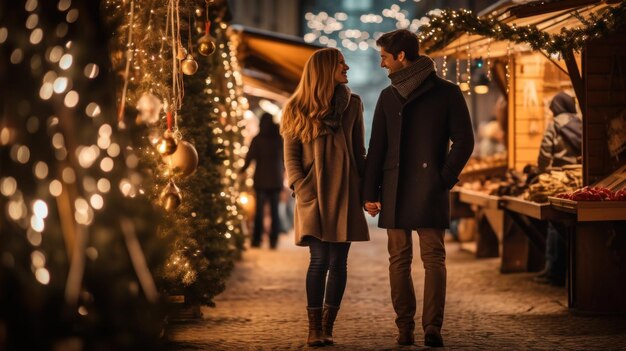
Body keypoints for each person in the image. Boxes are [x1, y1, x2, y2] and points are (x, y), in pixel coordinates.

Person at [362, 29, 474, 348]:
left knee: (433, 259)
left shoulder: (448, 92)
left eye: (384, 56)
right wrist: (370, 192)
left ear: (400, 56)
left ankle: (432, 327)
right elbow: (378, 146)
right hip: (394, 188)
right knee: (399, 259)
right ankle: (404, 327)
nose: (382, 64)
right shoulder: (388, 96)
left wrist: (442, 179)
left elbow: (464, 141)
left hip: (429, 188)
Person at [281, 48, 370, 346]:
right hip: (313, 193)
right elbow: (291, 157)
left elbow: (359, 151)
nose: (347, 67)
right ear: (324, 69)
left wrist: (367, 190)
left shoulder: (353, 104)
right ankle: (313, 328)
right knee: (319, 260)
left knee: (339, 262)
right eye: (341, 63)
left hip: (345, 191)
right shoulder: (295, 107)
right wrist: (300, 187)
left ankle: (328, 326)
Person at [534, 92, 581, 286]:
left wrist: (542, 173)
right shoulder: (580, 122)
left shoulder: (554, 125)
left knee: (554, 222)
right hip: (578, 178)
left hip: (559, 178)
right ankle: (573, 268)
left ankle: (554, 269)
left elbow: (545, 153)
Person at [240, 112, 284, 249]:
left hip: (260, 180)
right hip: (276, 179)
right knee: (275, 211)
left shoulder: (257, 139)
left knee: (259, 211)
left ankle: (256, 240)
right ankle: (273, 240)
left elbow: (250, 157)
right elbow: (285, 159)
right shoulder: (278, 139)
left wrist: (241, 170)